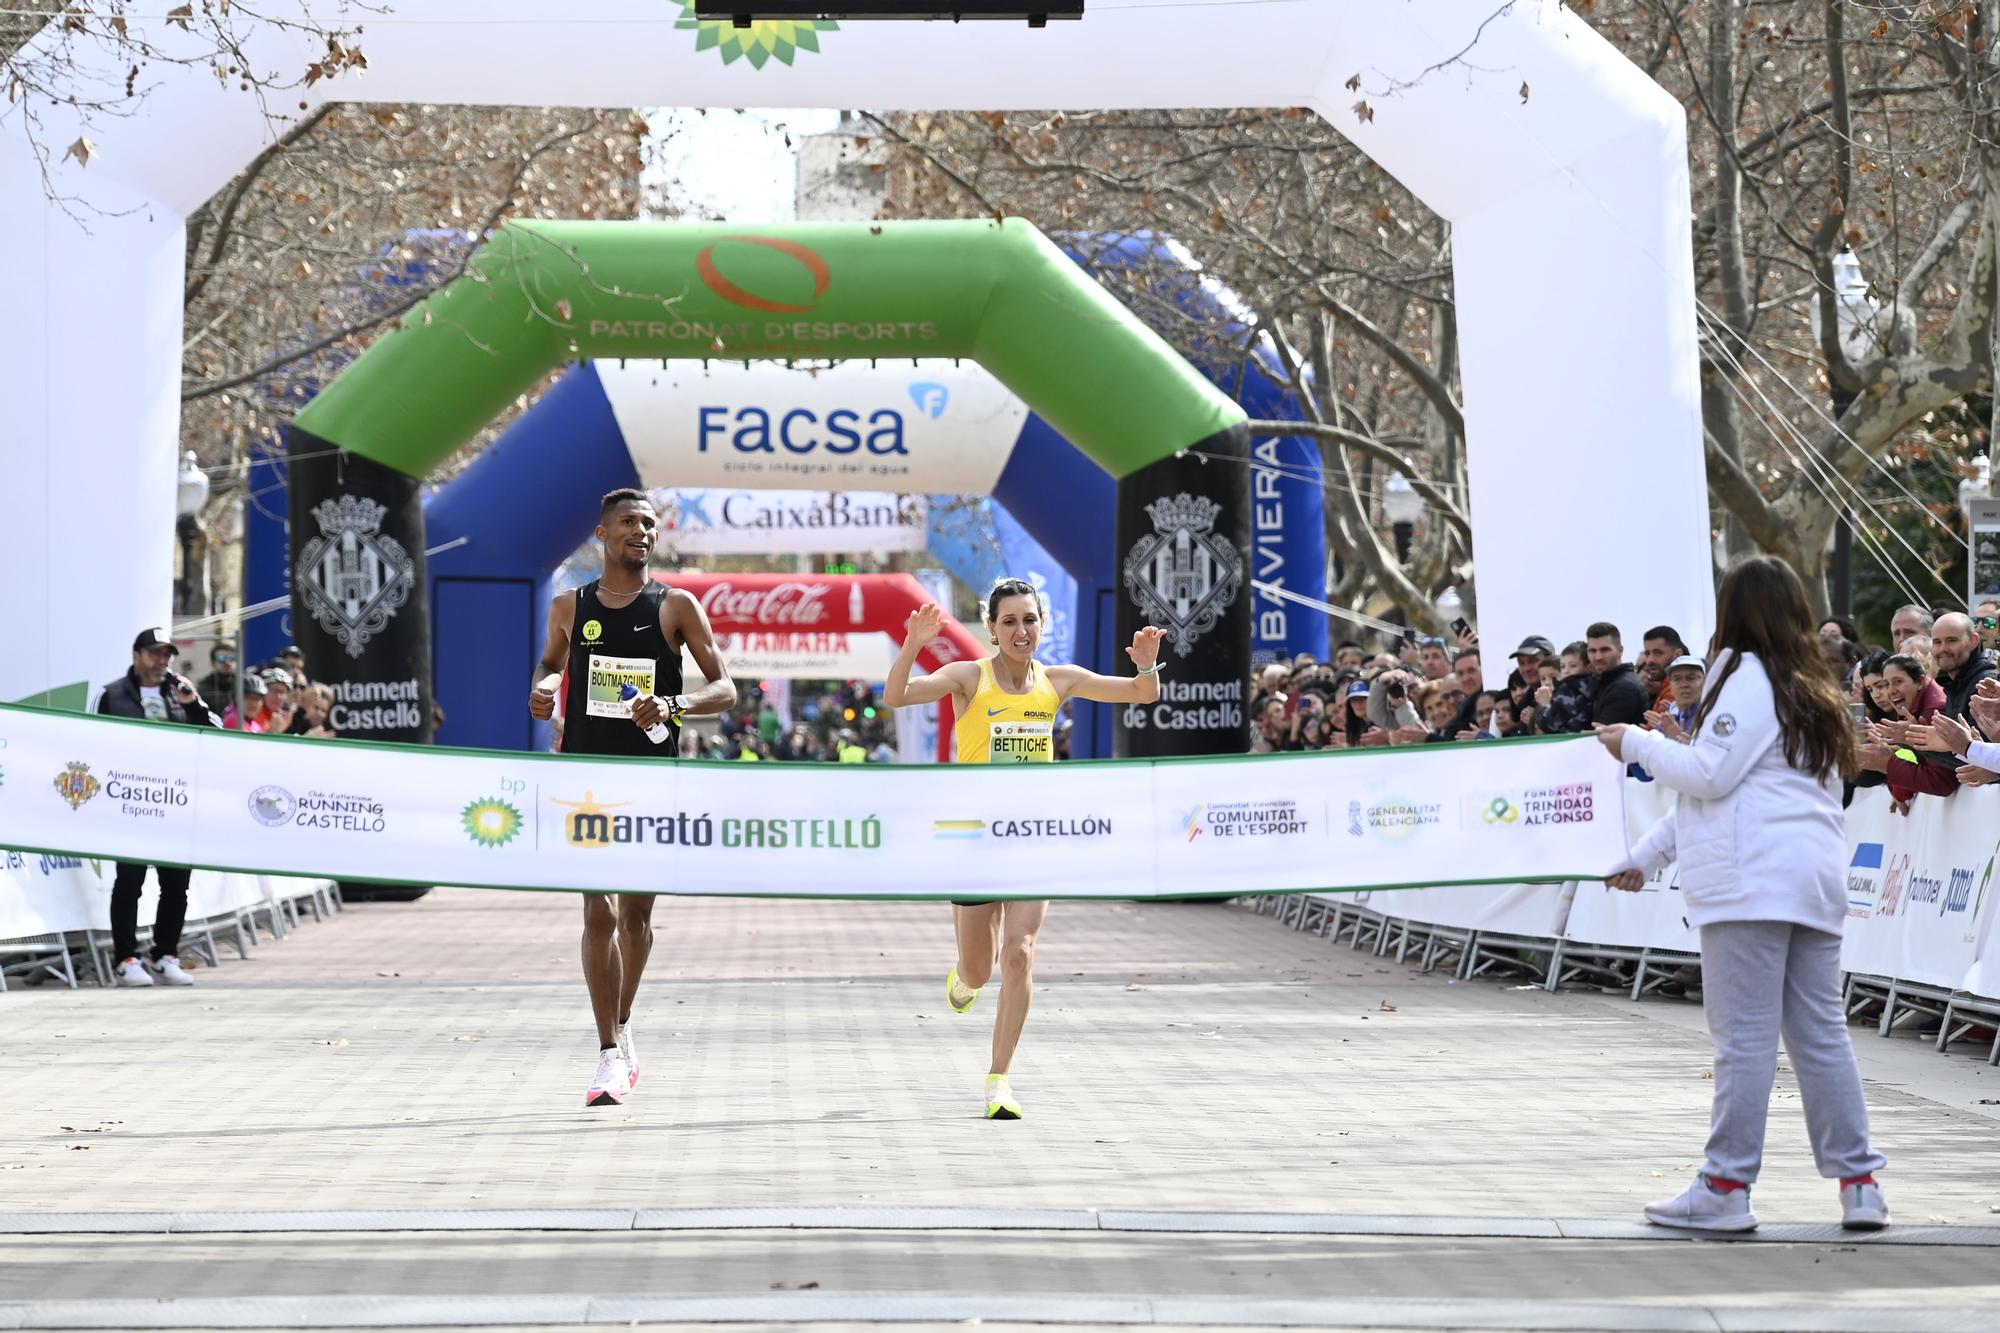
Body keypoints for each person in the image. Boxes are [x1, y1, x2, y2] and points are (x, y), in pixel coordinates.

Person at [1598, 555, 1887, 1234]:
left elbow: (1709, 774)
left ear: (1736, 611)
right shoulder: (1806, 684)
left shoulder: (1747, 677)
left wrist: (1634, 742)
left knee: (1746, 1038)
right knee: (1819, 1034)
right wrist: (1646, 854)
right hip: (1806, 876)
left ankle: (1727, 1183)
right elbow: (1737, 789)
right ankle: (1859, 1182)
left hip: (1752, 881)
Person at [882, 578, 1164, 1121]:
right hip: (970, 838)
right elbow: (897, 696)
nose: (1020, 631)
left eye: (1029, 620)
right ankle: (962, 980)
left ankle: (999, 1079)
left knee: (1020, 954)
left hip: (1033, 837)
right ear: (991, 628)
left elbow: (1139, 694)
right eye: (1009, 621)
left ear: (1042, 624)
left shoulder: (1060, 680)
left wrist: (1147, 664)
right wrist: (913, 644)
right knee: (981, 971)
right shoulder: (969, 677)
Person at [527, 488, 736, 1107]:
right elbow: (548, 668)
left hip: (651, 780)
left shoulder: (677, 606)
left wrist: (674, 703)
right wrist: (542, 692)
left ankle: (620, 1024)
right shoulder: (570, 605)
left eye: (648, 523)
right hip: (587, 781)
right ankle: (608, 1054)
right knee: (597, 914)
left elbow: (724, 689)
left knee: (635, 918)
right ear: (603, 533)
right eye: (628, 523)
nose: (641, 532)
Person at [96, 628, 222, 987]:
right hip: (131, 804)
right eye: (155, 653)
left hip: (175, 803)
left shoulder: (179, 691)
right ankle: (125, 958)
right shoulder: (111, 694)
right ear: (137, 655)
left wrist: (193, 703)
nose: (162, 661)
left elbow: (215, 730)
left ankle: (165, 953)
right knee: (129, 883)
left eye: (167, 654)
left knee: (176, 884)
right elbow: (89, 740)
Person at [1586, 622, 1649, 725]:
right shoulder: (1606, 682)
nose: (1598, 657)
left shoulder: (1624, 687)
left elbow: (1604, 736)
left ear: (1620, 650)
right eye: (1592, 651)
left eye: (1605, 650)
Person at [195, 640, 238, 714]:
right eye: (221, 658)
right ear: (212, 663)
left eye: (231, 658)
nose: (227, 662)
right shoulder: (204, 688)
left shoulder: (243, 685)